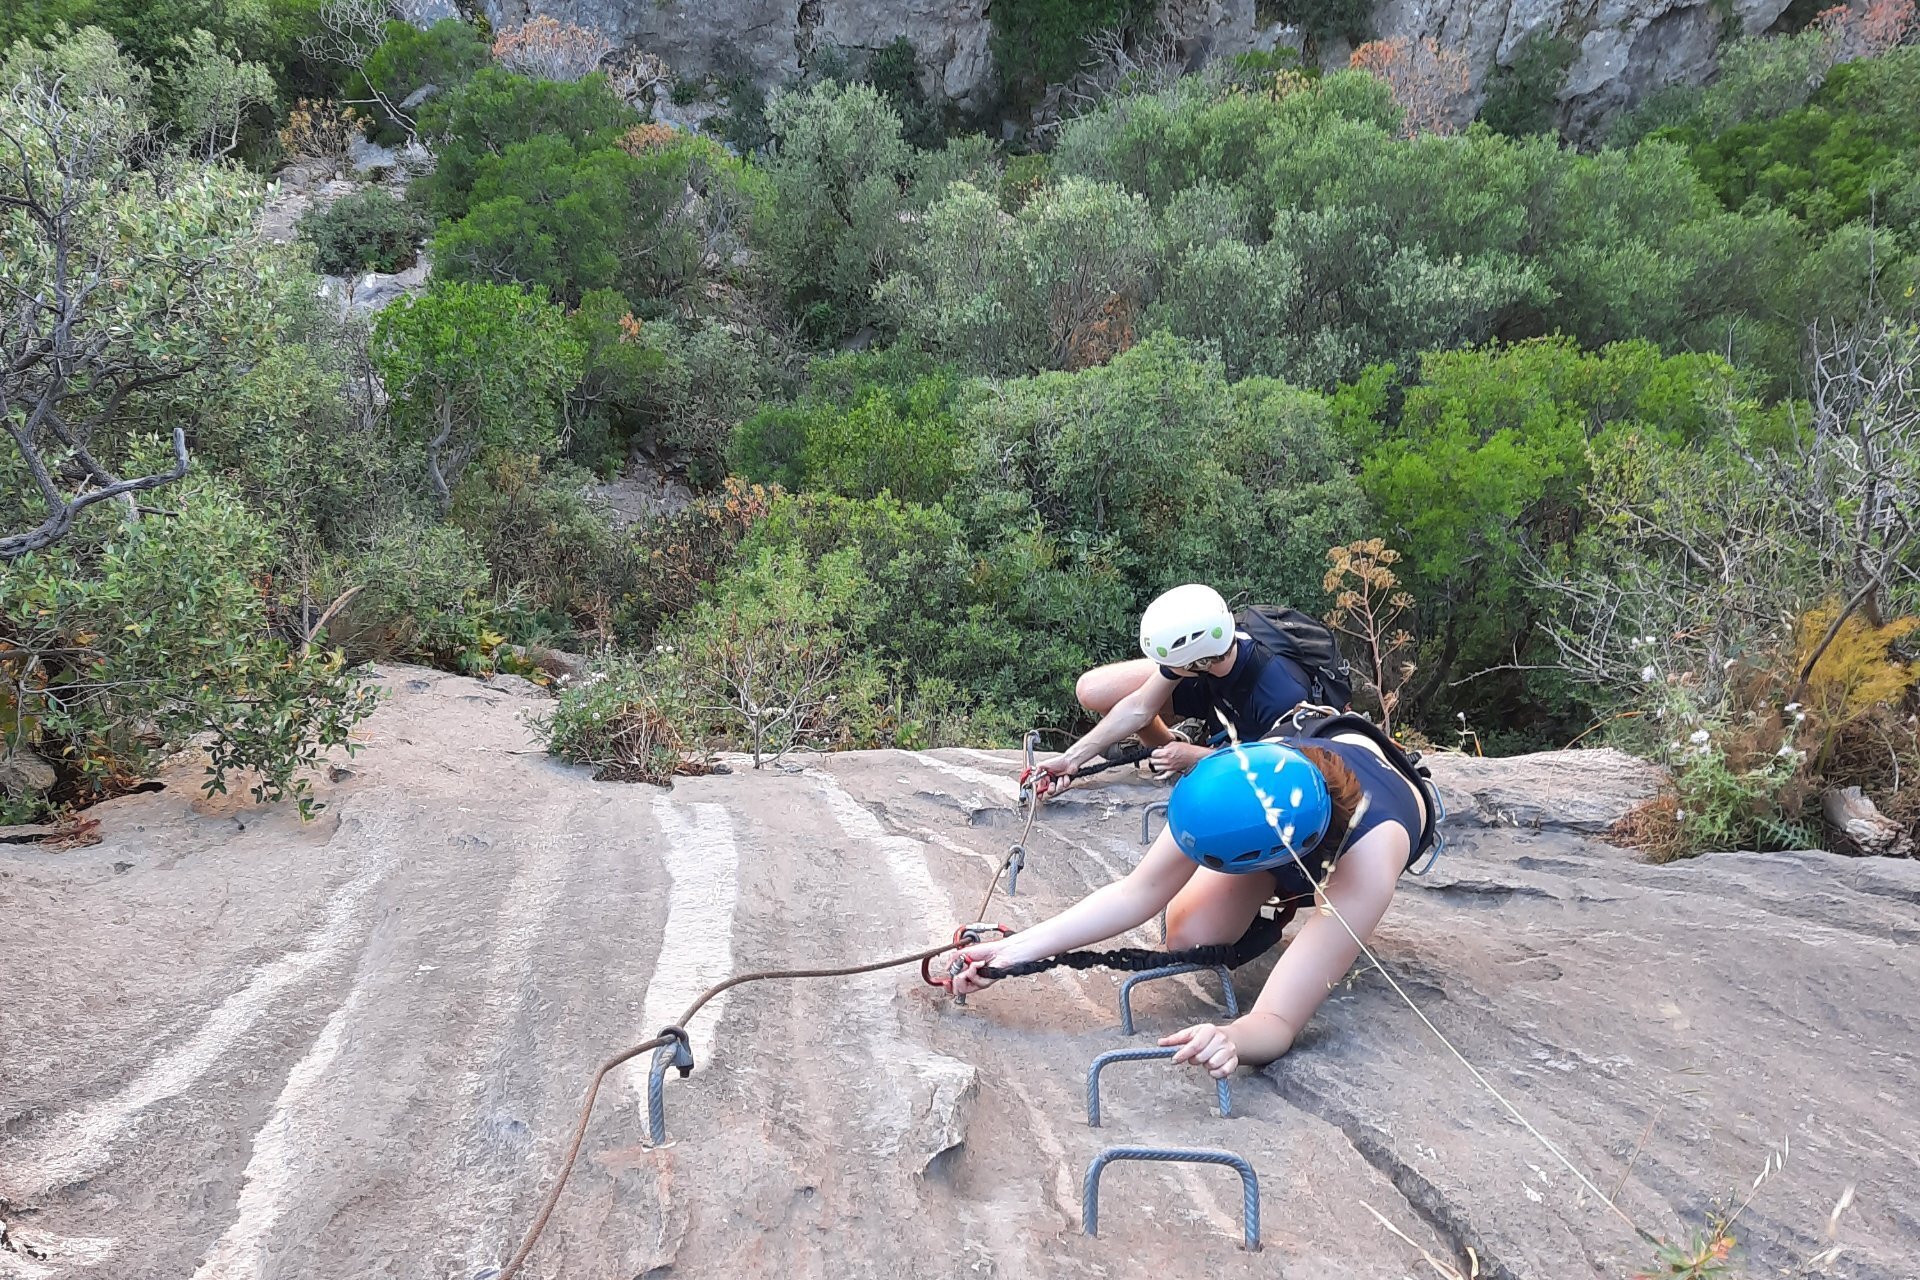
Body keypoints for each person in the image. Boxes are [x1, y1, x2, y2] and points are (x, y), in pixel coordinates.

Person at [950, 730, 1430, 1077]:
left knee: (1222, 929)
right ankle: (1259, 884)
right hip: (1310, 777)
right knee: (1189, 937)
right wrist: (1015, 951)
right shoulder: (1236, 788)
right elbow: (1137, 892)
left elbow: (1278, 1021)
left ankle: (1274, 886)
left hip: (1357, 824)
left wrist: (1232, 1038)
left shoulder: (1369, 864)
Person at [1034, 584, 1319, 789]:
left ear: (1198, 663)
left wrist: (1197, 757)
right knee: (1094, 689)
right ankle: (1171, 745)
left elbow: (1284, 766)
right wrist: (1072, 759)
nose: (1165, 668)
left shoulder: (1280, 691)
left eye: (1171, 664)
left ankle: (1179, 752)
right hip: (1214, 693)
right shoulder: (1208, 652)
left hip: (1266, 741)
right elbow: (1140, 707)